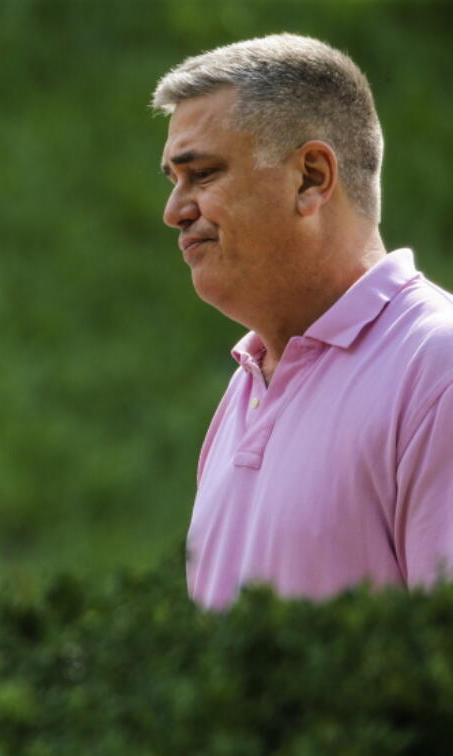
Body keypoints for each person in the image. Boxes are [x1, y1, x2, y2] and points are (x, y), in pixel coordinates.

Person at [154, 34, 453, 609]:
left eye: (204, 175)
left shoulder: (435, 368)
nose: (174, 211)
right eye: (173, 179)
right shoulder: (247, 384)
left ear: (312, 177)